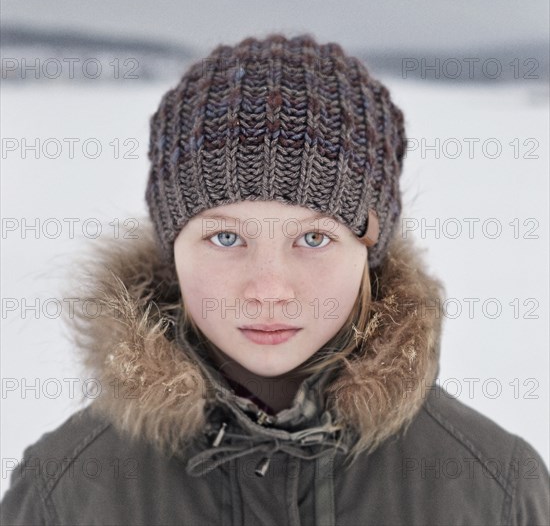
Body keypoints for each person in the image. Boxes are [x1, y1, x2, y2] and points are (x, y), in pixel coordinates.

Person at [1, 32, 548, 526]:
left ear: (369, 252)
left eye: (313, 239)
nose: (268, 289)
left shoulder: (496, 489)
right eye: (225, 238)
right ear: (173, 250)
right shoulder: (65, 491)